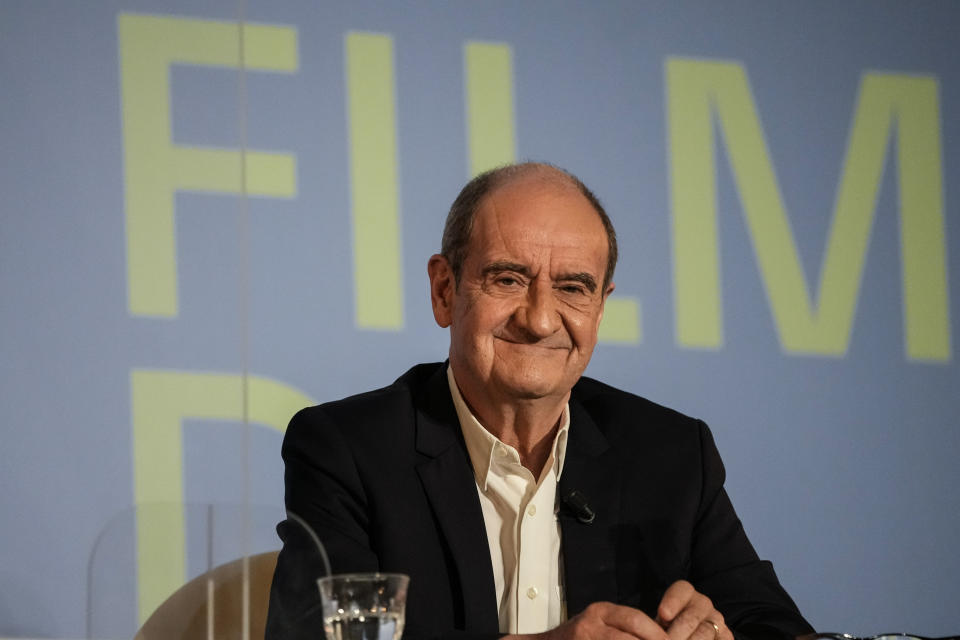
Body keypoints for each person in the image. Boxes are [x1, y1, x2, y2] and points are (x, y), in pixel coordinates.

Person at [266, 163, 813, 640]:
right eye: (508, 279)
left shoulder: (670, 454)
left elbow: (776, 624)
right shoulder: (348, 449)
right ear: (444, 290)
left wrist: (718, 636)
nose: (541, 319)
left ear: (600, 307)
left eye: (574, 288)